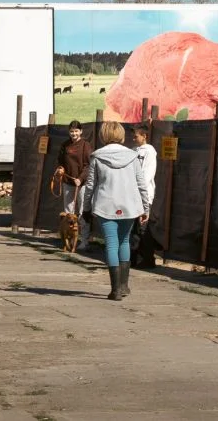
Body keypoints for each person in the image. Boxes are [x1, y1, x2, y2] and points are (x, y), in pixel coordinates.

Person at [82, 121, 150, 301]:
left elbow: (90, 185)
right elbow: (141, 183)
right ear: (121, 135)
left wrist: (86, 208)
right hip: (129, 205)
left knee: (111, 243)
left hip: (105, 205)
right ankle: (124, 285)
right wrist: (145, 207)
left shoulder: (96, 157)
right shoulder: (132, 156)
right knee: (124, 241)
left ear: (103, 135)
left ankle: (115, 290)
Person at [55, 120, 94, 249]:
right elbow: (60, 161)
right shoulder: (65, 145)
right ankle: (68, 240)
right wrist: (61, 169)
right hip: (68, 182)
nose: (74, 133)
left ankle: (84, 240)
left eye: (76, 131)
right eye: (71, 131)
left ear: (81, 132)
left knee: (82, 211)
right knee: (68, 212)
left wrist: (81, 178)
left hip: (81, 184)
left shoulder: (85, 145)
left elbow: (88, 165)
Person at [129, 123, 158, 268]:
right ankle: (134, 258)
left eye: (136, 136)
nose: (133, 139)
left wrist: (139, 190)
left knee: (142, 227)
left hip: (144, 194)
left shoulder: (149, 151)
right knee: (135, 228)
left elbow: (147, 174)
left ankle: (147, 258)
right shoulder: (133, 150)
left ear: (144, 136)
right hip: (133, 194)